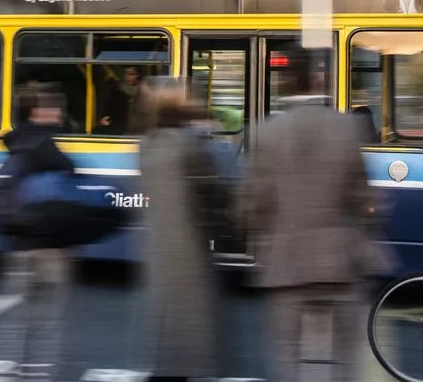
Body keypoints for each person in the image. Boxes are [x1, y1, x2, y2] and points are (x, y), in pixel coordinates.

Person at [242, 70, 392, 381]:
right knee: (345, 357)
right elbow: (364, 197)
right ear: (317, 82)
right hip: (340, 261)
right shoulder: (345, 126)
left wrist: (258, 244)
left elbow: (253, 204)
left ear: (283, 84)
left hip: (286, 262)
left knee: (288, 355)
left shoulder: (266, 133)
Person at [139, 89, 232, 382]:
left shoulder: (148, 146)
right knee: (193, 323)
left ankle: (166, 371)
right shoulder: (191, 146)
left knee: (165, 318)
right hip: (190, 244)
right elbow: (214, 192)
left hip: (158, 245)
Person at [0, 84, 75, 382]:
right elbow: (69, 178)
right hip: (48, 247)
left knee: (17, 321)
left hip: (18, 245)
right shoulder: (46, 145)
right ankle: (42, 375)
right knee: (49, 321)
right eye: (53, 107)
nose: (59, 112)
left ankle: (12, 372)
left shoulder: (16, 143)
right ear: (37, 111)